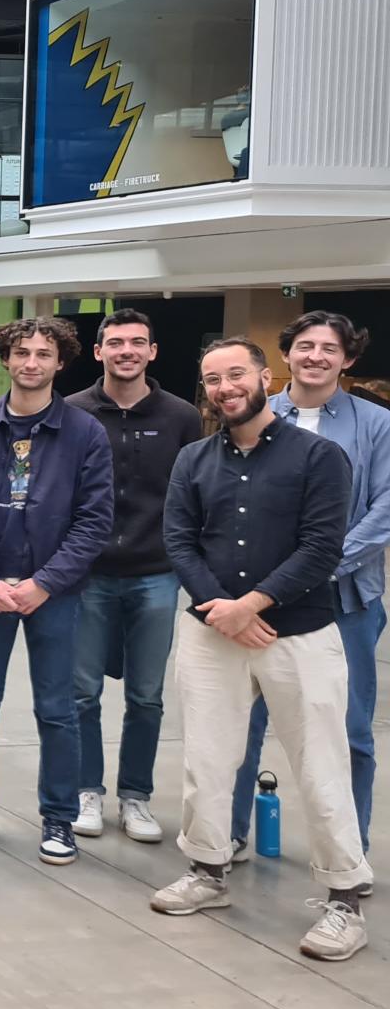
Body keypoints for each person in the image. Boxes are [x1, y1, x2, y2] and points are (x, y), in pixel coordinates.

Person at [152, 337, 370, 962]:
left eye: (236, 375)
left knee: (321, 765)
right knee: (208, 758)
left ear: (264, 378)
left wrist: (254, 605)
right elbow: (180, 540)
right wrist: (223, 610)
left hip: (297, 633)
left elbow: (323, 545)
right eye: (213, 379)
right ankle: (207, 871)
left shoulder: (319, 456)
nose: (226, 388)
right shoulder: (193, 458)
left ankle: (344, 900)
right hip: (211, 631)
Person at [0, 317, 113, 867]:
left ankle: (58, 815)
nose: (32, 362)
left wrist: (45, 583)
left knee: (58, 709)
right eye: (21, 353)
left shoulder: (86, 433)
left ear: (61, 362)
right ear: (5, 359)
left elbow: (94, 520)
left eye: (43, 354)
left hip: (56, 593)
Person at [230, 311, 390, 866]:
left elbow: (384, 507)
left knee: (348, 731)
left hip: (344, 598)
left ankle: (351, 850)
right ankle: (228, 836)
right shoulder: (257, 413)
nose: (315, 356)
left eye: (329, 348)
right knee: (240, 725)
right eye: (304, 346)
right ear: (287, 355)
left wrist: (320, 566)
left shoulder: (375, 423)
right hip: (255, 601)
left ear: (347, 359)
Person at [67, 309, 204, 843]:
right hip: (88, 574)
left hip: (155, 573)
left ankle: (136, 797)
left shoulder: (181, 417)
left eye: (138, 343)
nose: (127, 350)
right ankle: (86, 790)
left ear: (152, 352)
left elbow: (192, 495)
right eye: (116, 343)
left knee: (147, 695)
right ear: (99, 352)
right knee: (81, 692)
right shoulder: (73, 413)